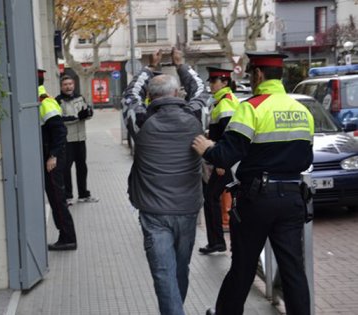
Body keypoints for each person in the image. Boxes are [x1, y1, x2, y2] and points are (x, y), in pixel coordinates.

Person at [192, 52, 314, 315]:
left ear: (258, 75)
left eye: (249, 74)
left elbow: (226, 154)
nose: (249, 77)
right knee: (293, 268)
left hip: (257, 199)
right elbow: (307, 158)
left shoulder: (251, 107)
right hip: (293, 198)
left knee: (244, 266)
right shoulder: (302, 111)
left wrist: (207, 148)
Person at [122, 48, 208, 315]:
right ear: (177, 94)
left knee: (164, 274)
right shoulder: (196, 117)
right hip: (187, 209)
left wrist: (149, 68)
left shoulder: (140, 119)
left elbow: (129, 95)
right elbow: (203, 91)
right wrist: (181, 66)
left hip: (153, 212)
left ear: (150, 97)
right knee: (179, 270)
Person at [199, 67, 239, 254]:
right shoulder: (221, 102)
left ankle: (217, 242)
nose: (211, 84)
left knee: (211, 197)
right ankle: (218, 242)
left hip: (225, 162)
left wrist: (222, 164)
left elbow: (228, 137)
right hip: (223, 160)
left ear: (225, 82)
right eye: (210, 81)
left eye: (214, 81)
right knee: (212, 197)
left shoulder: (226, 104)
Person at [38, 69, 77, 251]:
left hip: (53, 158)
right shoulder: (43, 99)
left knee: (57, 199)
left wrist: (52, 155)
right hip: (51, 156)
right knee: (55, 199)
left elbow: (60, 131)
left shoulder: (44, 101)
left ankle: (68, 238)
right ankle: (65, 236)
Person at [55, 75, 99, 204]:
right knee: (66, 169)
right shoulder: (58, 101)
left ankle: (83, 195)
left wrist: (88, 114)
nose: (68, 87)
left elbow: (85, 115)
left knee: (82, 167)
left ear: (74, 85)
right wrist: (77, 117)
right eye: (65, 84)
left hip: (81, 138)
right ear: (61, 86)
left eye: (70, 84)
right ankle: (67, 196)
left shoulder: (80, 98)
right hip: (67, 140)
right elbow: (59, 120)